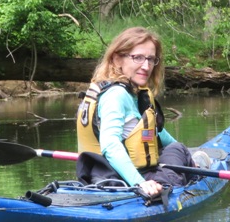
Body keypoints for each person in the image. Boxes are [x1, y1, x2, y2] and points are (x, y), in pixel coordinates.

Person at [76, 26, 206, 197]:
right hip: (122, 181)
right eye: (137, 58)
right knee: (178, 150)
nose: (146, 66)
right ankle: (198, 171)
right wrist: (140, 183)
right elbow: (110, 145)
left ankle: (192, 162)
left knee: (177, 148)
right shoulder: (117, 95)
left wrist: (185, 155)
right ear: (116, 59)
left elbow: (159, 134)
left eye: (151, 59)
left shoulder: (131, 92)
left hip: (102, 177)